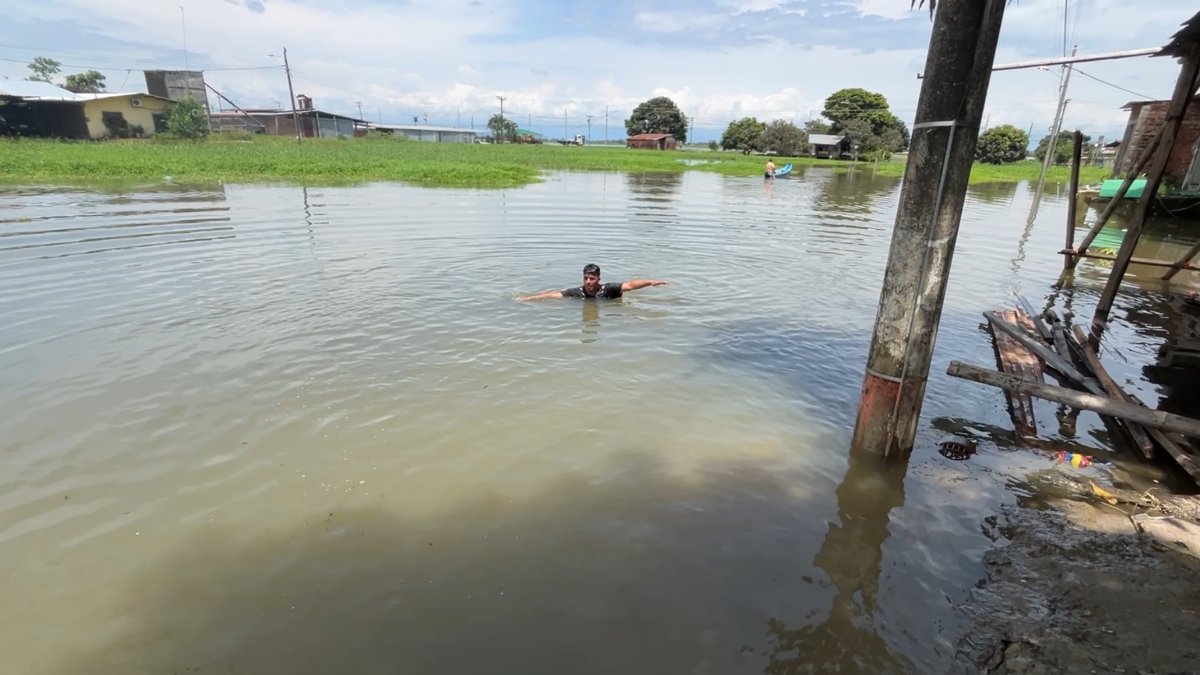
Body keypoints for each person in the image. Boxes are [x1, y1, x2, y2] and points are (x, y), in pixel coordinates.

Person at [519, 263, 667, 301]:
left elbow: (630, 285)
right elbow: (552, 295)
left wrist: (650, 281)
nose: (588, 281)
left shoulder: (608, 289)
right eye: (586, 278)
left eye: (592, 278)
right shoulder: (577, 293)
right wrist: (529, 298)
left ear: (598, 279)